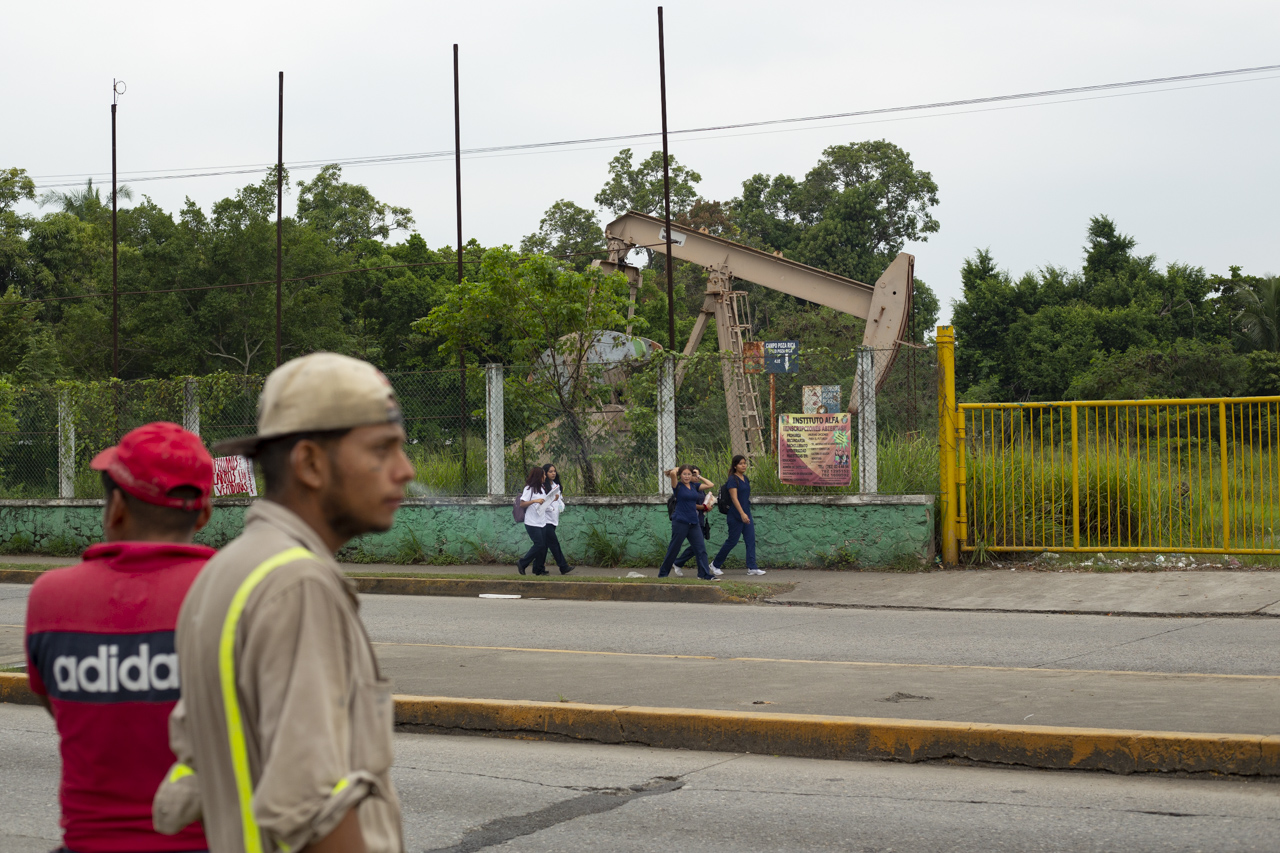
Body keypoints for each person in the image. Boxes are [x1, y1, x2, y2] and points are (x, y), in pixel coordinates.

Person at [152, 352, 412, 853]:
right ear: (310, 463)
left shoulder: (227, 570)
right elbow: (313, 809)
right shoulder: (299, 585)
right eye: (382, 449)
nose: (405, 470)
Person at [24, 421, 214, 853]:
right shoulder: (236, 594)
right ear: (203, 515)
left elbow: (63, 710)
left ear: (116, 509)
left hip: (90, 843)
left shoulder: (51, 598)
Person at [657, 465, 716, 580]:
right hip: (680, 521)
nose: (687, 476)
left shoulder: (694, 486)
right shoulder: (677, 486)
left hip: (693, 522)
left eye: (689, 474)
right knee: (674, 548)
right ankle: (663, 574)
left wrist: (698, 475)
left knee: (700, 548)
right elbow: (673, 474)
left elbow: (710, 485)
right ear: (680, 475)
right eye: (684, 474)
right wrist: (677, 469)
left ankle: (704, 574)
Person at [711, 454, 766, 576]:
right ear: (735, 466)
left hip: (746, 513)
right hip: (736, 515)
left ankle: (752, 567)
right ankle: (715, 564)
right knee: (732, 541)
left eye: (745, 463)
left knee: (750, 539)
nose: (744, 465)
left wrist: (746, 513)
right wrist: (742, 513)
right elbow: (734, 499)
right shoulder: (732, 480)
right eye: (741, 463)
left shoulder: (745, 478)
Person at [540, 463, 574, 575]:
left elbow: (560, 500)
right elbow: (543, 502)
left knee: (543, 545)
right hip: (546, 520)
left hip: (554, 519)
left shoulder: (556, 485)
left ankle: (535, 567)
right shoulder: (542, 487)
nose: (553, 473)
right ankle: (563, 566)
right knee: (554, 543)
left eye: (554, 471)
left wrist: (561, 506)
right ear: (545, 473)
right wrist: (552, 506)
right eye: (550, 471)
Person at [517, 467, 550, 575]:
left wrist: (552, 499)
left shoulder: (542, 488)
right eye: (543, 475)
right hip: (532, 522)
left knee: (543, 546)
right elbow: (522, 504)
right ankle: (522, 563)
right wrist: (535, 500)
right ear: (538, 476)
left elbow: (543, 503)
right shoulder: (529, 488)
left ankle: (538, 569)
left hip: (542, 521)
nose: (545, 476)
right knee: (539, 544)